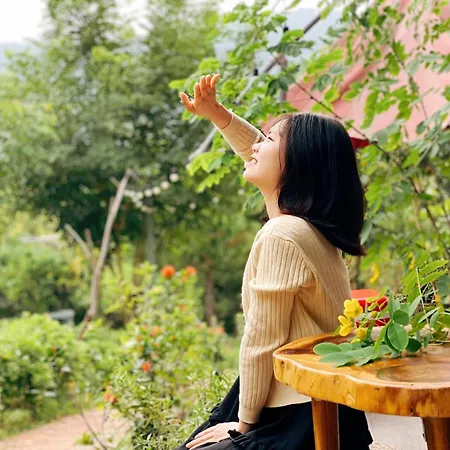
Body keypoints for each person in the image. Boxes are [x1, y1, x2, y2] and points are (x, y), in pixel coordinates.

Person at [176, 74, 373, 450]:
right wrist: (219, 115)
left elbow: (261, 339)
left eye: (268, 139)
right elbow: (261, 152)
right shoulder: (307, 229)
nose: (255, 146)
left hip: (296, 415)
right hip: (320, 401)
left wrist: (243, 426)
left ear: (296, 164)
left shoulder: (282, 234)